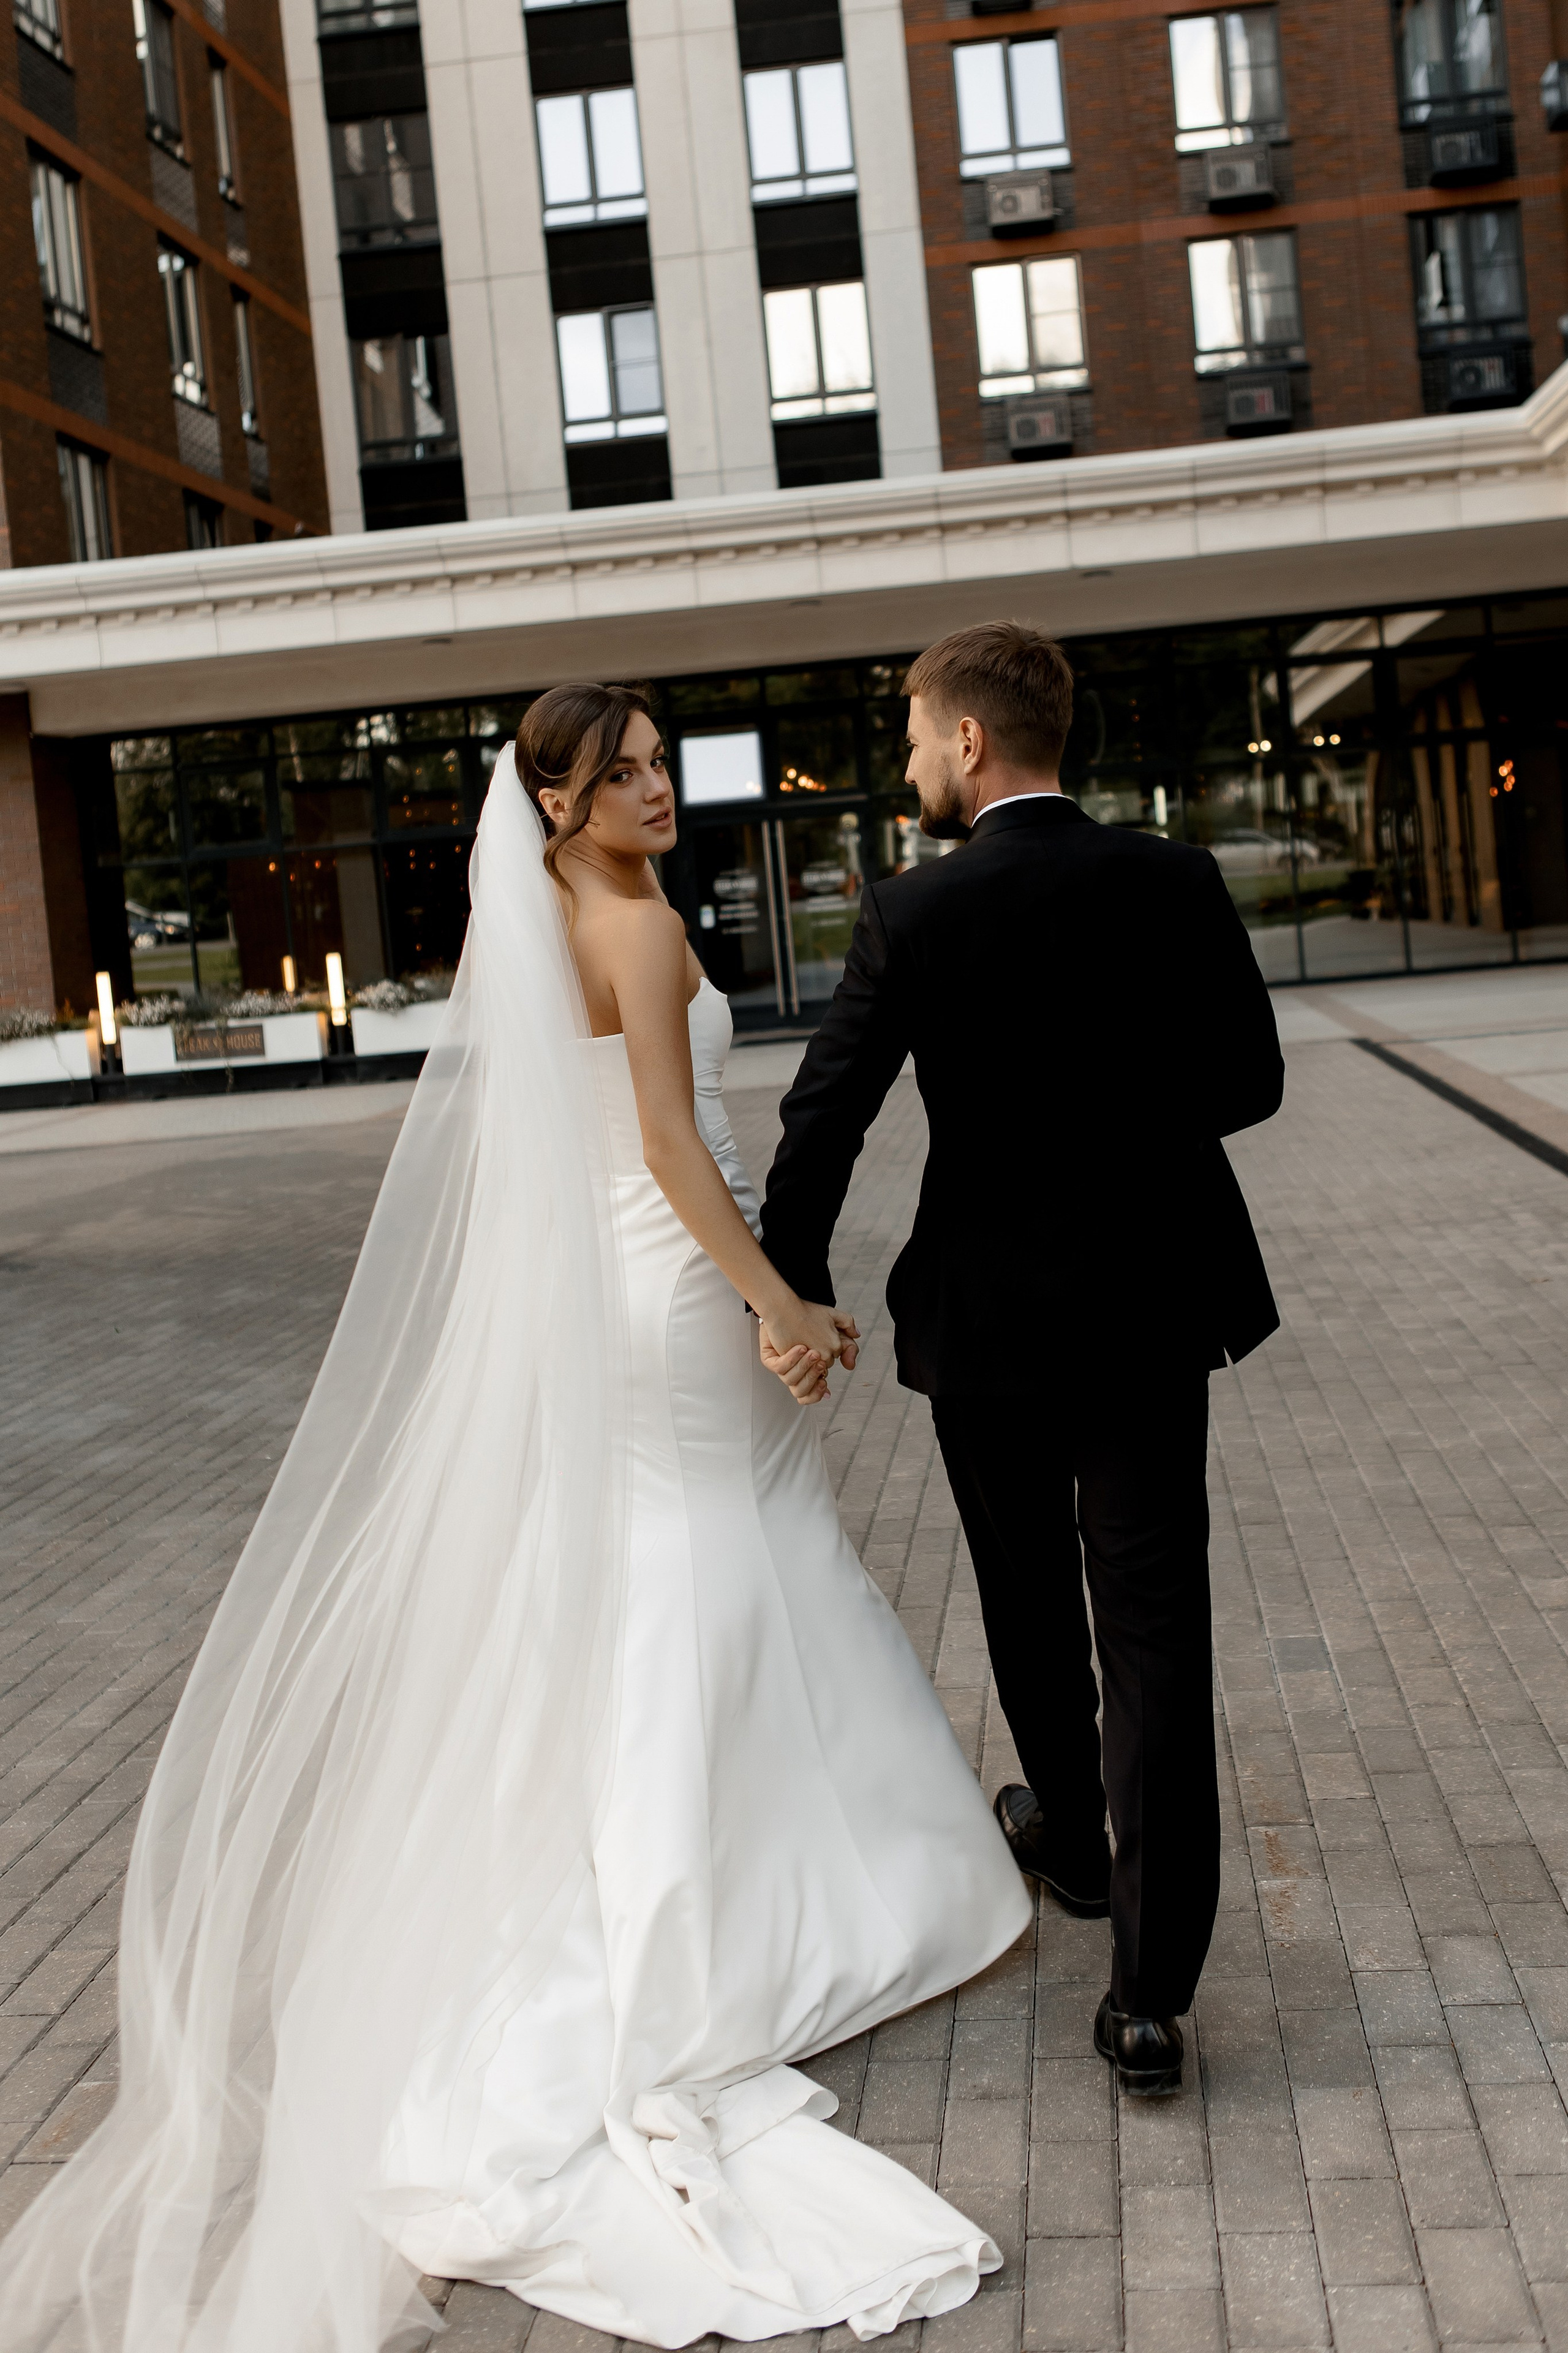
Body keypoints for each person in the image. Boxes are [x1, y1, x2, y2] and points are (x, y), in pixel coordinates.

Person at [0, 684, 1031, 2353]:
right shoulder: (633, 926)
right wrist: (775, 1298)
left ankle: (765, 1871)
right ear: (557, 802)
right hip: (679, 1282)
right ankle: (742, 1914)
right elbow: (671, 1148)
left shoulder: (538, 921)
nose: (653, 791)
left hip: (619, 1293)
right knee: (714, 1570)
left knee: (704, 1565)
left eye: (655, 764)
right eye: (619, 775)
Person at [760, 622, 1284, 2099]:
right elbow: (1248, 1080)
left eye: (916, 734)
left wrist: (787, 1289)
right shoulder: (1172, 879)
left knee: (1025, 1591)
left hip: (984, 1318)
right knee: (1153, 1627)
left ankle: (1075, 1842)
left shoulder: (912, 910)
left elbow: (824, 1116)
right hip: (1147, 1307)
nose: (911, 759)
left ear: (971, 740)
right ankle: (1148, 1997)